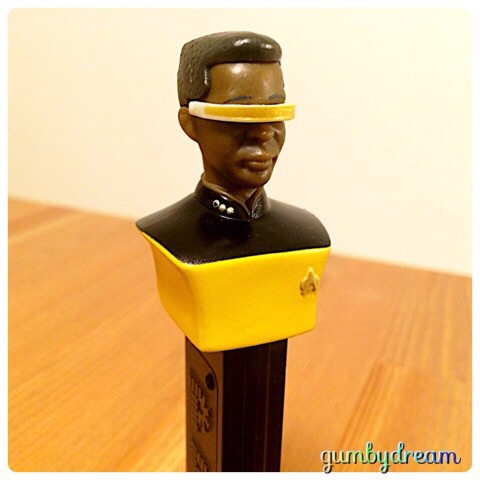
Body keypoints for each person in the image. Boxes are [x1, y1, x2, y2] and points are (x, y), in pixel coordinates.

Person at [137, 31, 330, 267]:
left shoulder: (306, 237)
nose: (264, 132)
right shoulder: (167, 236)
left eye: (275, 112)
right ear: (190, 123)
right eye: (240, 114)